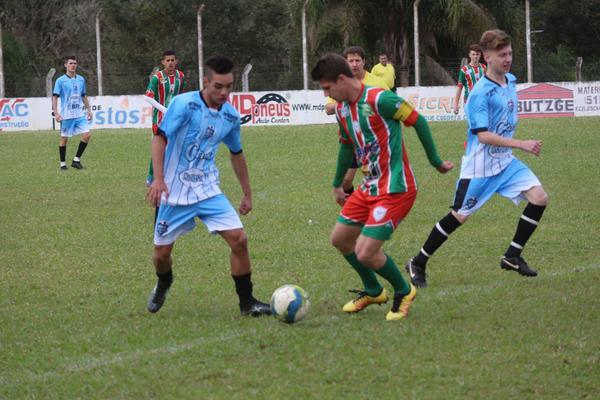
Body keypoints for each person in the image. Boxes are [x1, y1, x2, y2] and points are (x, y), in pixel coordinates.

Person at [311, 54, 453, 321]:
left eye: (327, 88)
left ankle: (403, 289)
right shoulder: (342, 109)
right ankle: (374, 290)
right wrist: (337, 184)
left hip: (396, 188)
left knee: (366, 251)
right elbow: (346, 146)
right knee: (340, 239)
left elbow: (417, 121)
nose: (326, 95)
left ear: (342, 80)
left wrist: (435, 161)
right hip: (369, 187)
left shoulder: (381, 99)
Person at [406, 29, 549, 288]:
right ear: (486, 57)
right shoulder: (479, 94)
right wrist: (522, 144)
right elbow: (482, 136)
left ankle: (512, 255)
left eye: (510, 54)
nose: (507, 59)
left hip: (505, 162)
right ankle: (417, 262)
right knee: (459, 216)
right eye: (501, 54)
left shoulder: (511, 80)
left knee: (539, 198)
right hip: (480, 167)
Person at [145, 55, 271, 317]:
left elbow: (236, 153)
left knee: (239, 240)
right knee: (161, 255)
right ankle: (165, 281)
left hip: (207, 188)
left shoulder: (230, 116)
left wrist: (247, 193)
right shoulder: (184, 104)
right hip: (173, 191)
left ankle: (247, 303)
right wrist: (158, 179)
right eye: (218, 86)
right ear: (206, 82)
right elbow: (159, 137)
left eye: (229, 86)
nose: (224, 93)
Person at [325, 46, 389, 197]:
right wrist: (348, 104)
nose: (354, 64)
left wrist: (366, 106)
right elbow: (328, 108)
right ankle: (353, 214)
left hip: (374, 140)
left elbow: (389, 104)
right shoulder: (339, 82)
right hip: (352, 140)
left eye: (357, 60)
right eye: (350, 61)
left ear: (364, 62)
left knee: (377, 180)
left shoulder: (377, 82)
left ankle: (376, 211)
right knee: (346, 182)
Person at [145, 50, 186, 185]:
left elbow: (181, 96)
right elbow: (148, 98)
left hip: (176, 119)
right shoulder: (157, 77)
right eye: (167, 60)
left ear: (176, 61)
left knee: (176, 147)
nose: (170, 63)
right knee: (159, 148)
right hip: (160, 119)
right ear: (163, 62)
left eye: (172, 60)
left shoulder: (181, 76)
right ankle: (151, 178)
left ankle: (174, 176)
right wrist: (164, 110)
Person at [52, 55, 93, 170]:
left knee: (87, 135)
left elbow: (83, 95)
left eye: (74, 63)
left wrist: (89, 110)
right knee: (64, 138)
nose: (73, 65)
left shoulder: (81, 79)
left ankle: (76, 160)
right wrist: (56, 112)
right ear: (66, 65)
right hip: (67, 115)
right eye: (70, 63)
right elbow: (55, 97)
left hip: (79, 114)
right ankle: (62, 164)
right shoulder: (60, 81)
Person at [453, 44, 486, 115]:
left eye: (477, 54)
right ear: (469, 55)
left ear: (480, 55)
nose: (475, 56)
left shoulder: (484, 68)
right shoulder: (464, 70)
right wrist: (456, 104)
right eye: (473, 54)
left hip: (482, 101)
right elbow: (459, 87)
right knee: (474, 123)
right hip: (469, 101)